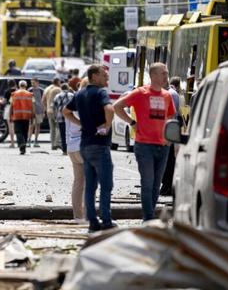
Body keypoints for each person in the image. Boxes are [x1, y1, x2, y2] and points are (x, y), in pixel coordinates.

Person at [114, 63, 178, 222]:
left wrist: (171, 140)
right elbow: (117, 107)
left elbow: (171, 118)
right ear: (153, 75)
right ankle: (148, 217)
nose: (166, 77)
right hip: (144, 146)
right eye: (163, 73)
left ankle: (149, 215)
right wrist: (132, 122)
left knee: (157, 184)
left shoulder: (167, 95)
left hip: (163, 146)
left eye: (167, 73)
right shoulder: (140, 93)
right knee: (147, 182)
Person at [64, 64, 116, 232]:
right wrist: (106, 127)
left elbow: (65, 111)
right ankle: (106, 220)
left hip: (84, 144)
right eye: (104, 75)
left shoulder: (79, 94)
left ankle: (92, 221)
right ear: (94, 76)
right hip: (100, 145)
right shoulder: (100, 93)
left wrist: (83, 125)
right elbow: (110, 108)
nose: (107, 77)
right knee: (106, 184)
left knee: (90, 185)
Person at [64, 80, 85, 221]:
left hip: (72, 146)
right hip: (83, 145)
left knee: (78, 182)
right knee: (90, 183)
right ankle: (88, 216)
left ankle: (77, 216)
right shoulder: (85, 102)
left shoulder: (71, 103)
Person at [10, 80, 34, 155]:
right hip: (26, 116)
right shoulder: (30, 94)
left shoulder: (14, 94)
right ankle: (23, 146)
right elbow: (33, 106)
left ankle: (21, 145)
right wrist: (33, 116)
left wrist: (10, 115)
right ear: (26, 86)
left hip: (17, 116)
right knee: (25, 132)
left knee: (18, 131)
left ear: (19, 85)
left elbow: (11, 106)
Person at [51, 79, 76, 153]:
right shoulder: (72, 95)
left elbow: (54, 107)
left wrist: (55, 116)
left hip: (60, 117)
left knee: (62, 134)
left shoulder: (57, 96)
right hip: (70, 117)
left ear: (61, 88)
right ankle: (71, 148)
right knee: (70, 133)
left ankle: (64, 149)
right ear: (68, 88)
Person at [44, 77, 62, 149]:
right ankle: (56, 143)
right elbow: (60, 100)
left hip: (49, 110)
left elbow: (43, 100)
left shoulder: (47, 89)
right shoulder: (58, 89)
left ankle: (52, 145)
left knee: (52, 128)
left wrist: (46, 108)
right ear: (57, 82)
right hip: (56, 111)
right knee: (59, 127)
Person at [28, 78, 46, 147]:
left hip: (39, 110)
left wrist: (44, 111)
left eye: (33, 82)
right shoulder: (29, 90)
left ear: (37, 83)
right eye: (31, 83)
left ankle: (35, 140)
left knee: (38, 126)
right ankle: (29, 140)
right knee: (31, 126)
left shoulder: (41, 91)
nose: (32, 84)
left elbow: (43, 102)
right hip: (31, 111)